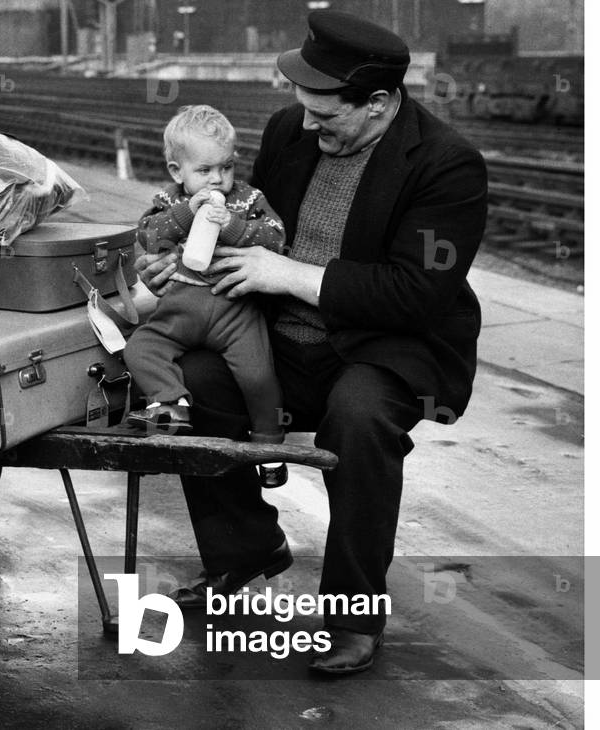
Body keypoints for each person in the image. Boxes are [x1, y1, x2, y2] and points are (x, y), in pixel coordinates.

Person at [135, 9, 487, 674]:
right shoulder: (288, 130)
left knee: (358, 419)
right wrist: (175, 262)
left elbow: (417, 294)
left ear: (377, 103)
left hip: (382, 347)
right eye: (302, 107)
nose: (304, 125)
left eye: (323, 114)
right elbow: (242, 223)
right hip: (280, 336)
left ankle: (353, 615)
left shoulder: (447, 166)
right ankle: (243, 551)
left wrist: (289, 274)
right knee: (194, 384)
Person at [123, 105, 289, 487]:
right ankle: (171, 404)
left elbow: (275, 237)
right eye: (204, 170)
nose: (218, 179)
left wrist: (232, 226)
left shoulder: (248, 200)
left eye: (226, 167)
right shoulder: (169, 202)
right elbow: (148, 236)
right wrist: (186, 213)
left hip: (234, 310)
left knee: (259, 376)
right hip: (180, 310)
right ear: (176, 172)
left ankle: (269, 446)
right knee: (140, 349)